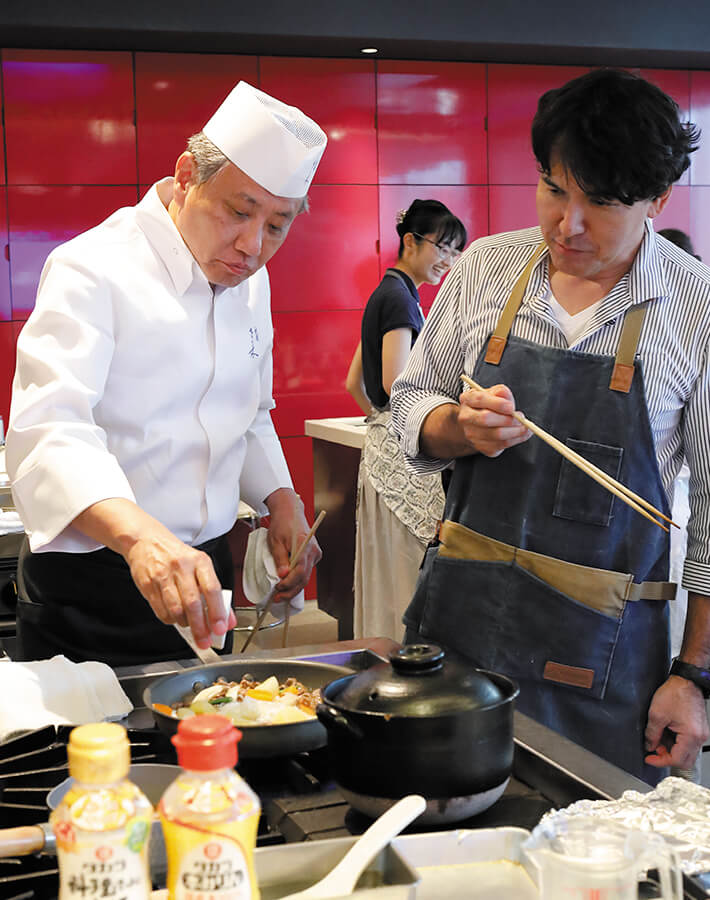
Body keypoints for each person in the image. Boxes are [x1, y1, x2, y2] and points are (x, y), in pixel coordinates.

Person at [390, 68, 710, 784]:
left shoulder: (696, 309)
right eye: (553, 188)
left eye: (599, 202)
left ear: (658, 198)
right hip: (457, 635)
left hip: (599, 660)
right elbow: (411, 402)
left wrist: (694, 676)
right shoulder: (486, 267)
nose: (566, 224)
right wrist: (454, 427)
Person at [6, 81, 327, 668]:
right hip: (95, 578)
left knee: (211, 742)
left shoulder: (249, 283)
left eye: (278, 226)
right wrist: (141, 538)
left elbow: (249, 412)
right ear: (186, 174)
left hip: (205, 575)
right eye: (239, 211)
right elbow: (50, 431)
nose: (252, 246)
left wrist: (281, 500)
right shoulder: (93, 268)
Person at [345, 201, 467, 639]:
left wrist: (378, 425)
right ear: (411, 241)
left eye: (455, 253)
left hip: (381, 452)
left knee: (387, 567)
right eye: (442, 248)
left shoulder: (387, 291)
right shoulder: (400, 299)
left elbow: (354, 382)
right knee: (405, 571)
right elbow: (399, 385)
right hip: (402, 459)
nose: (447, 262)